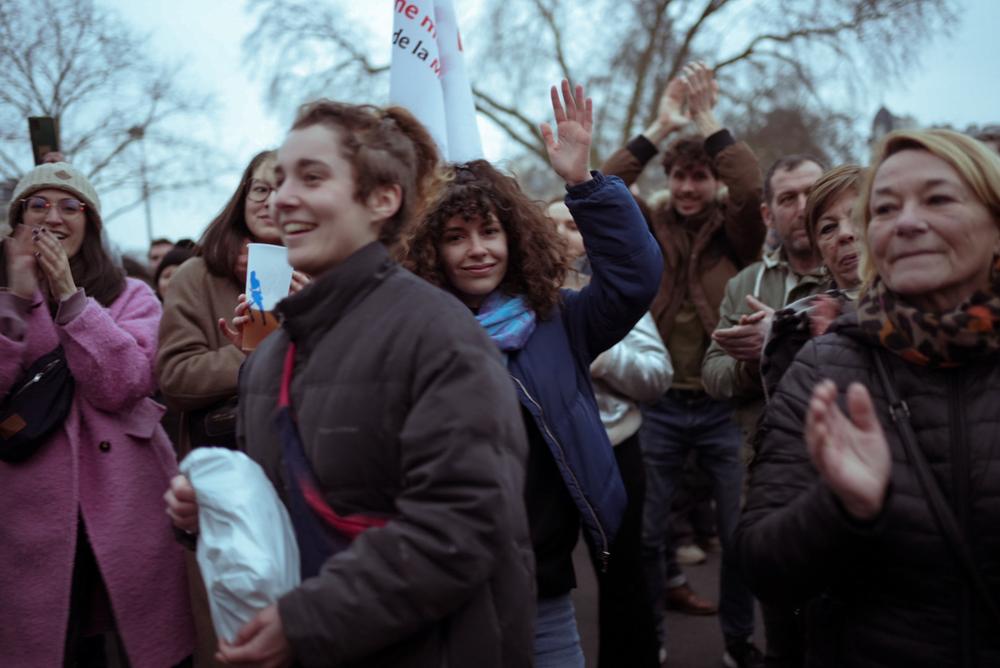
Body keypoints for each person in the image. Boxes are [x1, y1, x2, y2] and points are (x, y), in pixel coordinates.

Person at [167, 99, 535, 667]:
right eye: (279, 179)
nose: (282, 197)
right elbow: (280, 518)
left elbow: (462, 527)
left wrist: (307, 620)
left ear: (382, 199)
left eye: (312, 177)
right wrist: (213, 514)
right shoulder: (267, 358)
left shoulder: (440, 336)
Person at [401, 81, 662, 666]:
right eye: (455, 236)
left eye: (489, 231)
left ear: (513, 238)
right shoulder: (410, 338)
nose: (477, 249)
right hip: (445, 587)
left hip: (543, 583)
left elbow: (635, 277)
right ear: (428, 250)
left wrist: (584, 184)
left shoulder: (559, 320)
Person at [736, 128, 1000, 667]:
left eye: (939, 199)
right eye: (884, 208)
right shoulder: (825, 364)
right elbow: (762, 566)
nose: (905, 222)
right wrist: (840, 507)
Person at [602, 62, 765, 665]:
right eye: (682, 176)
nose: (691, 187)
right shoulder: (652, 225)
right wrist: (658, 127)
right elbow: (604, 185)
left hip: (723, 405)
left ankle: (738, 641)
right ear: (670, 179)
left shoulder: (737, 230)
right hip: (662, 407)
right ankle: (654, 639)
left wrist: (708, 123)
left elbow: (750, 188)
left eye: (700, 176)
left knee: (741, 533)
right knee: (645, 534)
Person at [0, 162, 193, 666]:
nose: (54, 217)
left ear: (91, 223)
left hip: (127, 495)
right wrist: (16, 299)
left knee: (145, 637)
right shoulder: (5, 298)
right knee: (57, 640)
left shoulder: (132, 295)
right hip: (27, 505)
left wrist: (70, 298)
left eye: (70, 205)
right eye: (37, 204)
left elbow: (124, 383)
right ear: (17, 220)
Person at [548, 199, 672, 668]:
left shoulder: (612, 295)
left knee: (622, 579)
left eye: (574, 226)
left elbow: (658, 375)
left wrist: (601, 357)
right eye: (552, 225)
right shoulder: (512, 297)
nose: (563, 236)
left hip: (614, 452)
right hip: (545, 460)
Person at [702, 154, 826, 448]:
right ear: (768, 215)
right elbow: (712, 374)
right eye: (787, 199)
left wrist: (778, 341)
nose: (803, 208)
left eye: (813, 194)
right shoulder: (745, 284)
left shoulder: (859, 277)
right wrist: (750, 367)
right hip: (765, 455)